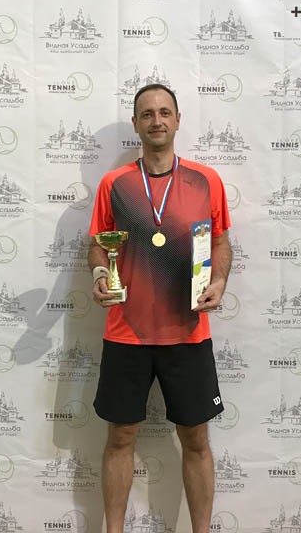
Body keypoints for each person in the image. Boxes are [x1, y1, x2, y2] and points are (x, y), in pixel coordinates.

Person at [87, 83, 232, 533]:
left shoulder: (206, 180)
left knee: (196, 440)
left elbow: (221, 242)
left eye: (165, 112)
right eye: (147, 114)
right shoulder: (114, 184)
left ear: (177, 120)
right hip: (126, 333)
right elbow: (98, 245)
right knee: (120, 438)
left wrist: (219, 281)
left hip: (188, 331)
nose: (157, 120)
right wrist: (100, 274)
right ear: (136, 123)